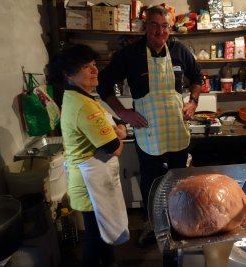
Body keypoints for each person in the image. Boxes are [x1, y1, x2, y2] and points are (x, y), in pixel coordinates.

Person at [97, 5, 202, 246]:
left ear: (170, 28)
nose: (160, 31)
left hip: (175, 128)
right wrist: (123, 112)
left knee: (178, 178)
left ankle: (179, 220)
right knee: (151, 180)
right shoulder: (130, 54)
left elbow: (197, 77)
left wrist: (193, 102)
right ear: (145, 27)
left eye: (164, 26)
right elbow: (104, 84)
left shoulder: (179, 50)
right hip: (149, 130)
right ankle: (152, 224)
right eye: (154, 25)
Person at [48, 44, 128, 267]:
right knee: (95, 240)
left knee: (102, 237)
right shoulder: (84, 105)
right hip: (91, 185)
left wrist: (118, 131)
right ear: (68, 74)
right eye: (86, 66)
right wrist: (120, 133)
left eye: (94, 65)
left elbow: (113, 130)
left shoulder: (78, 98)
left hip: (89, 181)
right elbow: (115, 148)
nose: (94, 70)